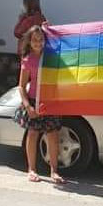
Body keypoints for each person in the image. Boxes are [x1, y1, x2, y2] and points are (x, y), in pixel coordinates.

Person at [17, 25, 65, 184]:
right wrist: (28, 106)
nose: (38, 42)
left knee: (52, 135)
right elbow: (22, 86)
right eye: (35, 40)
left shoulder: (52, 56)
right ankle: (31, 169)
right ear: (29, 42)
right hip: (34, 102)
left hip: (50, 101)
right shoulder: (28, 60)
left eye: (41, 39)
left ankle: (54, 171)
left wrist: (49, 29)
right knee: (33, 134)